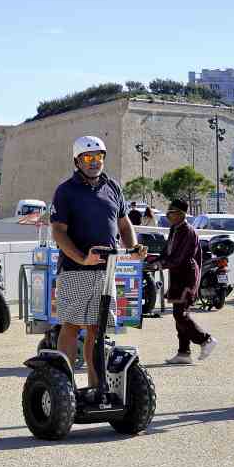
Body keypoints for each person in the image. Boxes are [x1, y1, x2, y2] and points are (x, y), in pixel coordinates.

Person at [50, 136, 145, 389]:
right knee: (70, 326)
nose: (95, 162)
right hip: (75, 270)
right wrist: (82, 257)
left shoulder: (112, 187)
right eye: (88, 158)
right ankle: (65, 388)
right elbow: (58, 231)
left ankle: (96, 387)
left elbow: (124, 224)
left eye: (99, 157)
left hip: (106, 271)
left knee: (97, 330)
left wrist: (133, 247)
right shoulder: (66, 190)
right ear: (77, 160)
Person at [147, 199, 217, 364]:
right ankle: (183, 353)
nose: (168, 215)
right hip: (177, 277)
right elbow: (167, 253)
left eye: (171, 213)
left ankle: (205, 340)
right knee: (180, 314)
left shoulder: (188, 231)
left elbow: (179, 258)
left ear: (181, 214)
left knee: (181, 314)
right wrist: (152, 261)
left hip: (187, 276)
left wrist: (160, 264)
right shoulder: (174, 229)